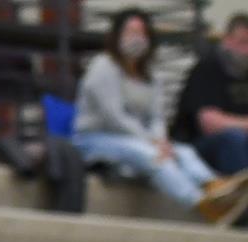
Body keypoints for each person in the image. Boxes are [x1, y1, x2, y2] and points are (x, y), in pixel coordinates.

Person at [75, 7, 248, 224]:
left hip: (139, 139)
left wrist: (161, 139)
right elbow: (115, 118)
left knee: (182, 151)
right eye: (130, 32)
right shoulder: (103, 67)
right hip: (97, 139)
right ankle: (199, 202)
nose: (136, 39)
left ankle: (216, 186)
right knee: (151, 156)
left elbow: (157, 116)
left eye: (141, 33)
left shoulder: (151, 74)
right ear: (117, 35)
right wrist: (153, 143)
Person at [171, 14, 248, 176]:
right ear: (227, 40)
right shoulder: (207, 69)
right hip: (197, 147)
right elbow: (210, 124)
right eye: (242, 42)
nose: (246, 50)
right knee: (233, 139)